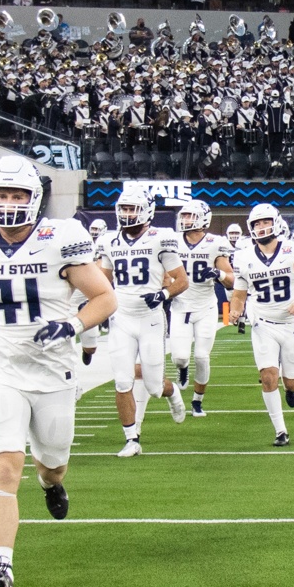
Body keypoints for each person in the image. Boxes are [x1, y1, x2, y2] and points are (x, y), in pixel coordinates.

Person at [0, 155, 117, 587]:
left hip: (52, 372)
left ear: (35, 199)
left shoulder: (59, 239)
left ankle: (52, 485)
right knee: (3, 469)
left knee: (51, 464)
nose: (6, 203)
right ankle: (2, 565)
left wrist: (72, 326)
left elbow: (104, 296)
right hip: (0, 371)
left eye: (17, 195)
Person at [95, 184, 189, 456]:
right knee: (123, 381)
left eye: (132, 208)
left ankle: (172, 393)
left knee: (154, 386)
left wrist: (163, 294)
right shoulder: (109, 242)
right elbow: (103, 281)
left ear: (147, 211)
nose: (127, 214)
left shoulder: (161, 238)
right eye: (123, 208)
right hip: (121, 317)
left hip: (150, 319)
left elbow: (182, 281)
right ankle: (131, 438)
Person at [229, 204, 294, 446]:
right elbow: (239, 293)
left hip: (291, 323)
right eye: (257, 223)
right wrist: (236, 310)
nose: (261, 227)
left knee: (292, 383)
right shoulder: (243, 256)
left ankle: (291, 391)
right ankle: (281, 431)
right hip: (262, 323)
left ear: (276, 223)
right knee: (268, 376)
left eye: (265, 222)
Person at [168, 199, 233, 417]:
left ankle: (197, 401)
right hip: (180, 306)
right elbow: (164, 272)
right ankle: (182, 368)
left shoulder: (215, 243)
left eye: (190, 216)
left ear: (204, 219)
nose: (185, 219)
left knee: (202, 356)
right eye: (184, 215)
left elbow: (232, 280)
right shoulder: (173, 241)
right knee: (179, 358)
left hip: (205, 307)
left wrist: (218, 274)